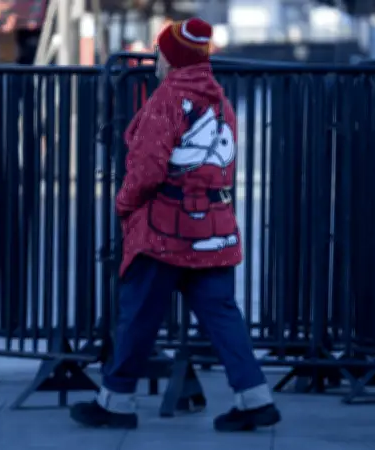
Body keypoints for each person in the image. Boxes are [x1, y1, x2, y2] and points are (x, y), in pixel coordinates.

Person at [70, 17, 281, 432]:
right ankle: (255, 398)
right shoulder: (220, 101)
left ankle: (115, 402)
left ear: (172, 57)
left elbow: (148, 171)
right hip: (213, 229)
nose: (156, 57)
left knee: (139, 314)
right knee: (223, 315)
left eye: (160, 51)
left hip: (165, 230)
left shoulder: (167, 101)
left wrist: (123, 202)